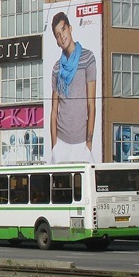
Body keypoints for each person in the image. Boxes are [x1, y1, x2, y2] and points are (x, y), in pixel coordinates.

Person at [49, 11, 96, 163]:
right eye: (57, 34)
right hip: (61, 143)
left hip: (82, 143)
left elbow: (91, 104)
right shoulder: (57, 68)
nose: (62, 36)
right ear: (56, 41)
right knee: (58, 186)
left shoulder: (88, 58)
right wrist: (54, 145)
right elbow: (54, 110)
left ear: (70, 28)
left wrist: (89, 142)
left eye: (63, 29)